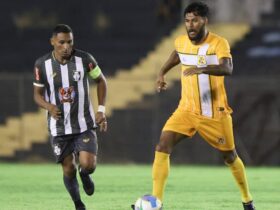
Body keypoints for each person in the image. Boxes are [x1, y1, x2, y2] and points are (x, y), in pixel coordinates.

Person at [151, 2, 256, 210]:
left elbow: (227, 68)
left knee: (230, 156)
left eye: (195, 20)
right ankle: (156, 203)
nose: (190, 25)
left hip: (214, 113)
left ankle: (247, 200)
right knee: (162, 145)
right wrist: (162, 72)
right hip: (186, 110)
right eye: (187, 21)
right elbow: (177, 54)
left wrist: (202, 68)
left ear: (205, 21)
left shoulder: (218, 43)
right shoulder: (181, 41)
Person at [33, 24, 107, 210]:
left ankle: (85, 174)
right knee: (68, 168)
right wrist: (49, 106)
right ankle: (78, 203)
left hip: (84, 124)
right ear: (52, 42)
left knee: (88, 165)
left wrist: (101, 109)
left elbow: (101, 81)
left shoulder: (85, 59)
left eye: (70, 42)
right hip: (59, 127)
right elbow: (37, 95)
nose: (66, 46)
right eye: (62, 42)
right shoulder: (42, 65)